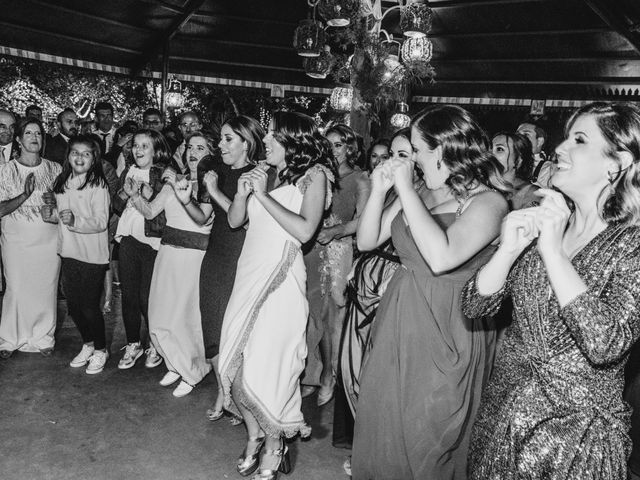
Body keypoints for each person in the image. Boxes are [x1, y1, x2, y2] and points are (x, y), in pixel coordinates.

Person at [462, 101, 640, 479]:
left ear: (618, 163)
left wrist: (554, 252)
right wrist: (508, 250)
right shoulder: (550, 220)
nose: (560, 149)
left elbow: (605, 342)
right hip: (503, 410)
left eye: (579, 140)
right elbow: (475, 305)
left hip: (571, 436)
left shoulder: (631, 244)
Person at [351, 105, 509, 479]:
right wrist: (380, 191)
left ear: (443, 149)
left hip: (448, 326)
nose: (413, 160)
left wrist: (406, 189)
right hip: (400, 315)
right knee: (385, 417)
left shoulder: (489, 202)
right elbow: (367, 238)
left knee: (429, 432)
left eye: (418, 150)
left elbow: (441, 258)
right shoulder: (419, 190)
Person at [218, 111, 337, 479]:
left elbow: (304, 231)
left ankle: (273, 443)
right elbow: (236, 221)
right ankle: (255, 435)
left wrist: (263, 196)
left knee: (269, 367)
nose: (265, 140)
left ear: (292, 139)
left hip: (281, 280)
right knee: (232, 366)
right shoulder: (260, 172)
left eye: (272, 135)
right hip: (248, 276)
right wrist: (242, 193)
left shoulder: (314, 175)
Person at [176, 118, 265, 417]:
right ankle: (222, 391)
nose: (221, 145)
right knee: (212, 328)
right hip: (216, 256)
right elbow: (203, 218)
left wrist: (214, 191)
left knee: (240, 334)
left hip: (244, 259)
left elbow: (246, 219)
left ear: (246, 143)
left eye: (228, 139)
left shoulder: (260, 175)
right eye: (221, 139)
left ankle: (243, 398)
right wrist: (185, 200)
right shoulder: (216, 172)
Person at [127, 133, 215, 397]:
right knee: (160, 312)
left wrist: (180, 188)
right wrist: (134, 196)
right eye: (190, 147)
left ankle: (193, 370)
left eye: (201, 148)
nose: (193, 152)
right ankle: (174, 362)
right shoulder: (175, 180)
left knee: (186, 316)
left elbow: (202, 219)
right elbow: (151, 212)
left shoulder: (210, 184)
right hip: (167, 253)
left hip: (193, 257)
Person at [303, 123, 370, 406]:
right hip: (310, 248)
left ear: (350, 148)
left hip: (338, 250)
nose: (333, 150)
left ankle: (330, 376)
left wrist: (336, 231)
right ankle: (310, 373)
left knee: (331, 317)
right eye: (328, 144)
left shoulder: (360, 179)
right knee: (308, 314)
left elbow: (366, 222)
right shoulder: (318, 173)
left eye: (339, 145)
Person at [42, 135, 110, 373]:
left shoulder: (98, 185)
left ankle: (101, 349)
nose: (79, 157)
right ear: (68, 155)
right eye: (75, 152)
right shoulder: (62, 182)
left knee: (90, 307)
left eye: (86, 153)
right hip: (69, 253)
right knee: (73, 307)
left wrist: (76, 220)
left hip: (92, 256)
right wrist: (49, 213)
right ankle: (88, 344)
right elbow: (60, 217)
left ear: (94, 159)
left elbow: (101, 221)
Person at [0, 118, 62, 357]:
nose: (34, 137)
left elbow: (67, 202)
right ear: (18, 139)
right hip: (16, 241)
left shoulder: (55, 169)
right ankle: (9, 340)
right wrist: (24, 196)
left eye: (38, 133)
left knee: (45, 288)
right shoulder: (6, 170)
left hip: (48, 241)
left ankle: (43, 337)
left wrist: (55, 201)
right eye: (28, 133)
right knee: (16, 288)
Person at [112, 129, 171, 370]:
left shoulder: (162, 174)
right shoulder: (128, 170)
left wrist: (145, 192)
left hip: (152, 243)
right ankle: (133, 344)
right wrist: (126, 193)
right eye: (136, 145)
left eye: (145, 146)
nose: (138, 150)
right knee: (129, 297)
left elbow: (164, 210)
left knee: (148, 298)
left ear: (156, 150)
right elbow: (115, 206)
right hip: (128, 240)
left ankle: (155, 345)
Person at [491, 131, 538, 209]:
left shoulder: (531, 194)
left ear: (518, 161)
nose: (490, 154)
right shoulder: (482, 186)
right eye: (488, 149)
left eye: (499, 149)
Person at [516, 120, 551, 187]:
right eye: (517, 135)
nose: (519, 138)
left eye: (526, 135)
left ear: (539, 141)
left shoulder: (548, 170)